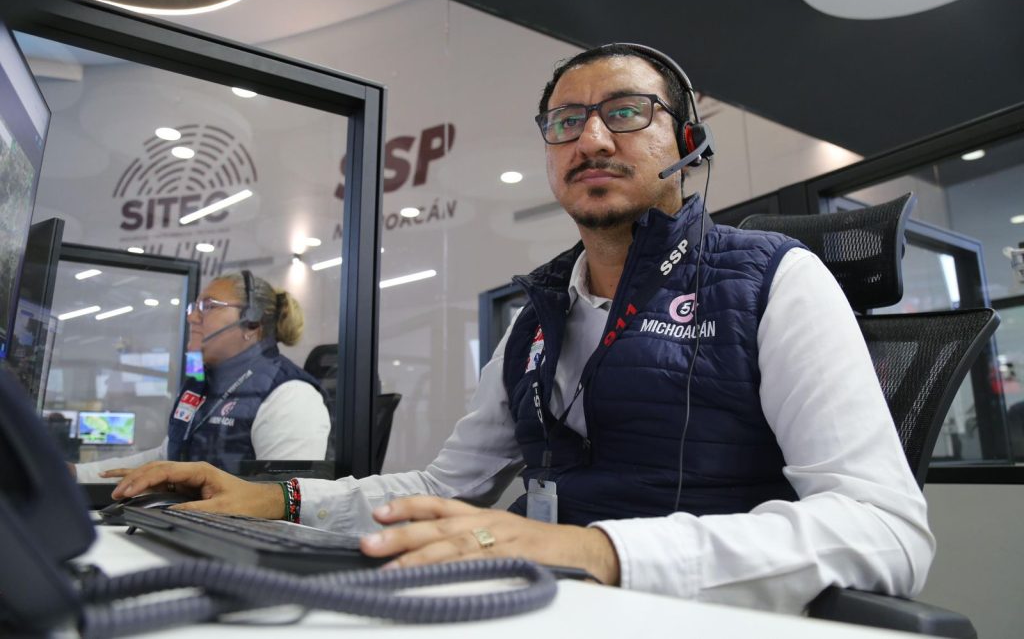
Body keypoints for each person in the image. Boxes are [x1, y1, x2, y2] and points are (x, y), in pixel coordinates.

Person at [109, 44, 934, 613]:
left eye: (627, 112)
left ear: (687, 142)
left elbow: (886, 530)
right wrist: (281, 499)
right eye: (565, 122)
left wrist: (593, 550)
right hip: (552, 607)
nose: (592, 138)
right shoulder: (538, 317)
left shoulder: (776, 279)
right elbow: (445, 490)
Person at [74, 270, 330, 480]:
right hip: (185, 522)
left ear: (251, 323)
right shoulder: (201, 382)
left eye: (208, 306)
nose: (192, 317)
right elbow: (168, 458)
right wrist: (78, 474)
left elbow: (283, 501)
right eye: (193, 307)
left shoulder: (290, 395)